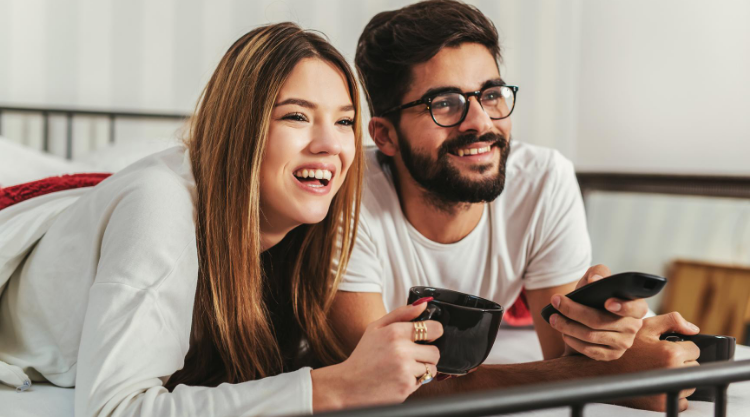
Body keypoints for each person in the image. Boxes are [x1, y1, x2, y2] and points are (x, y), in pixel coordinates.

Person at [0, 23, 444, 416]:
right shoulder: (159, 205)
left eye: (345, 121)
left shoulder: (300, 236)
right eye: (296, 116)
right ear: (241, 128)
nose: (330, 144)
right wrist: (334, 389)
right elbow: (116, 408)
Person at [330, 0, 700, 411]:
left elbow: (561, 356)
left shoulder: (543, 180)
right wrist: (602, 377)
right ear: (385, 136)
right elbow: (380, 383)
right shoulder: (346, 193)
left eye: (490, 95)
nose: (482, 122)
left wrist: (602, 338)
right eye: (445, 103)